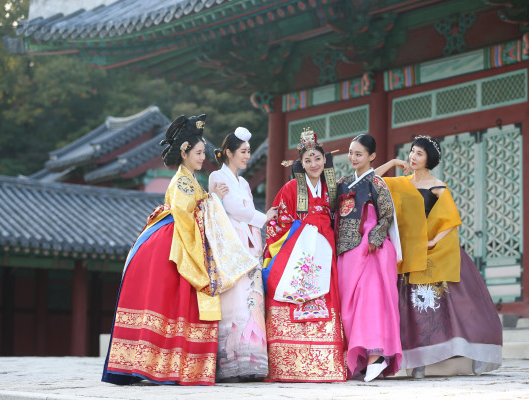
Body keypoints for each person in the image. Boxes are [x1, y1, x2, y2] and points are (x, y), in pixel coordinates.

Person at [102, 114, 259, 386]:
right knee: (174, 303)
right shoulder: (183, 182)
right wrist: (213, 201)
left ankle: (172, 365)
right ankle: (172, 365)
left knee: (173, 305)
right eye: (198, 153)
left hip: (178, 239)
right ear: (184, 152)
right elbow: (187, 218)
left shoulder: (191, 180)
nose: (202, 158)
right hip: (176, 243)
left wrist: (212, 198)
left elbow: (197, 208)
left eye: (203, 153)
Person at [376, 135, 503, 378]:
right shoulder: (400, 183)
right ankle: (416, 362)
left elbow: (451, 219)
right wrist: (392, 162)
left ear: (429, 159)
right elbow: (371, 180)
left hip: (434, 253)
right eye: (412, 151)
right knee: (410, 310)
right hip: (408, 255)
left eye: (419, 153)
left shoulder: (437, 186)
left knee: (455, 307)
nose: (413, 157)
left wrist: (434, 241)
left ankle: (474, 353)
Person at [262, 128, 347, 382]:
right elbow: (278, 221)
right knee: (295, 295)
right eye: (308, 160)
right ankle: (288, 364)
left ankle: (326, 363)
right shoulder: (290, 187)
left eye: (317, 158)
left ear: (325, 160)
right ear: (300, 163)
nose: (313, 164)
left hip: (325, 248)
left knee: (324, 297)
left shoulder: (332, 188)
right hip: (299, 248)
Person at [208, 127, 278, 381]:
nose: (247, 156)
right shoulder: (217, 176)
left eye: (249, 151)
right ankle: (231, 364)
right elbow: (232, 208)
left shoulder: (244, 182)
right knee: (235, 299)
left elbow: (242, 210)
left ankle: (252, 362)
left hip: (249, 242)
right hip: (231, 243)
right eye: (243, 152)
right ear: (229, 152)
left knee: (252, 300)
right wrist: (264, 217)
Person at [335, 134, 402, 382]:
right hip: (346, 252)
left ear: (372, 156)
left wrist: (375, 237)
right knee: (348, 306)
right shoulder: (342, 183)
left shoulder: (378, 184)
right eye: (351, 153)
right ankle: (361, 358)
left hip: (372, 250)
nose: (353, 157)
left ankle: (376, 355)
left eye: (359, 154)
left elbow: (387, 215)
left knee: (370, 300)